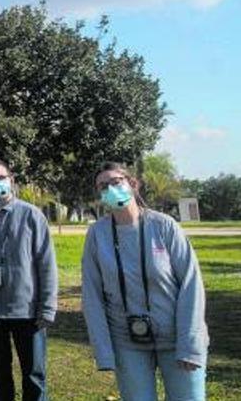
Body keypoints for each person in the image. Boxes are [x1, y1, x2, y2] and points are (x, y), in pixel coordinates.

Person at [82, 162, 209, 401]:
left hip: (176, 337)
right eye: (103, 186)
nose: (111, 189)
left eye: (116, 182)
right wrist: (103, 350)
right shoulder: (97, 234)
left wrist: (189, 344)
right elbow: (92, 295)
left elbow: (191, 285)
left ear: (132, 184)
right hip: (127, 340)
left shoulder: (164, 226)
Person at [0, 160, 58, 401]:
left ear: (11, 180)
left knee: (34, 376)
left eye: (1, 177)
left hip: (27, 311)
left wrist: (47, 308)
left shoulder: (31, 216)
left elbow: (46, 265)